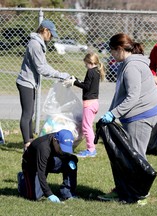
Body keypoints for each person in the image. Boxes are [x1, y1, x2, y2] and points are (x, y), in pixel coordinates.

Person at [98, 33, 157, 202]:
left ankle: (140, 193)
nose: (110, 54)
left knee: (136, 157)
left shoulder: (132, 67)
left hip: (142, 115)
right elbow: (120, 93)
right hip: (139, 112)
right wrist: (112, 111)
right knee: (129, 155)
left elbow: (132, 97)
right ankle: (122, 188)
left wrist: (114, 114)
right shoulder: (125, 64)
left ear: (120, 49)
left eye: (112, 50)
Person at [16, 19, 70, 150]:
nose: (51, 37)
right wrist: (61, 75)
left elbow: (44, 65)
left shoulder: (38, 44)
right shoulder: (35, 44)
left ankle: (30, 140)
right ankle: (27, 144)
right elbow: (42, 69)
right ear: (45, 30)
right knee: (27, 114)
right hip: (25, 83)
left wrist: (60, 73)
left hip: (29, 83)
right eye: (51, 34)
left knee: (30, 113)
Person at [18, 129, 78, 202]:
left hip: (49, 161)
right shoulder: (43, 147)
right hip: (32, 166)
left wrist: (73, 159)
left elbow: (67, 156)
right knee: (35, 196)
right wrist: (49, 194)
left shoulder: (61, 139)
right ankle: (22, 179)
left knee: (71, 163)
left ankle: (67, 193)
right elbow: (41, 173)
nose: (63, 152)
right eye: (61, 148)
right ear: (55, 140)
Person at [63, 53, 105, 157]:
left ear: (90, 62)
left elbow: (86, 86)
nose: (85, 66)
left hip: (89, 104)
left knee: (86, 127)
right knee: (88, 126)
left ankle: (91, 150)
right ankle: (91, 149)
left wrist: (74, 83)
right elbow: (88, 84)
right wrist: (76, 79)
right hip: (94, 103)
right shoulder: (96, 71)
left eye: (86, 64)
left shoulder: (90, 71)